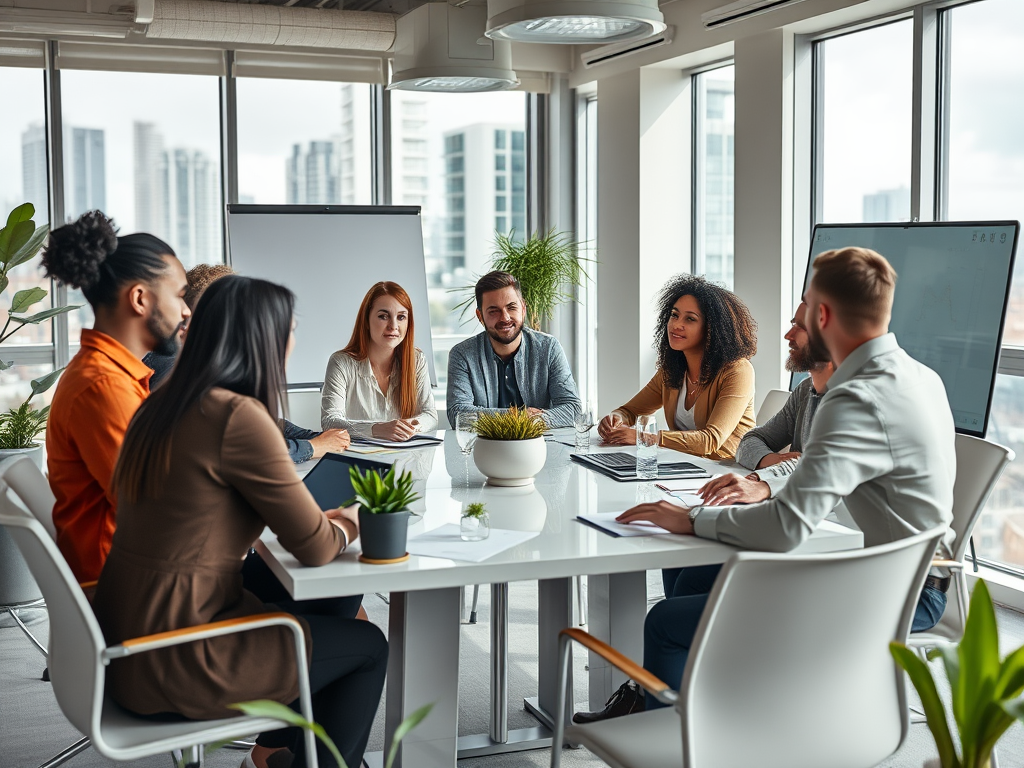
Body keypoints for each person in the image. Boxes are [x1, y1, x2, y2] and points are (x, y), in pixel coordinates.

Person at [599, 247, 956, 718]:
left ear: (824, 316)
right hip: (891, 569)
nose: (789, 332)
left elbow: (787, 528)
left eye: (801, 316)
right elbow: (788, 468)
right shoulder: (918, 375)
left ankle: (674, 735)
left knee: (665, 620)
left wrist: (691, 519)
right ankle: (709, 708)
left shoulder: (854, 399)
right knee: (692, 581)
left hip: (890, 590)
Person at [92, 276, 387, 768]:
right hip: (181, 655)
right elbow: (315, 547)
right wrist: (356, 516)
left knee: (332, 593)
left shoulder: (160, 403)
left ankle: (279, 751)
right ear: (266, 339)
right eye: (290, 329)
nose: (293, 340)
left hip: (129, 635)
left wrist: (319, 522)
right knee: (368, 645)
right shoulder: (237, 416)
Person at [42, 211, 190, 583]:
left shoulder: (117, 376)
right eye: (180, 296)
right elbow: (153, 511)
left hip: (145, 573)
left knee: (338, 603)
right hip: (137, 588)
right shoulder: (103, 386)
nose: (187, 311)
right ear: (140, 299)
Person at [146, 263, 351, 463]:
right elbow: (248, 447)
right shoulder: (172, 365)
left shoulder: (211, 368)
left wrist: (313, 436)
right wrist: (314, 446)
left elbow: (260, 423)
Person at [597, 275, 757, 460]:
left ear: (712, 328)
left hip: (725, 473)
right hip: (680, 468)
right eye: (674, 315)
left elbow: (710, 440)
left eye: (690, 319)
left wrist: (645, 438)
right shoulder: (672, 369)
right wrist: (615, 419)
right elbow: (630, 411)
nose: (676, 325)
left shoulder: (738, 371)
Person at [446, 270, 582, 428]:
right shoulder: (462, 354)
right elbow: (458, 414)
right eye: (493, 311)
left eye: (511, 307)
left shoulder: (548, 348)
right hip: (485, 448)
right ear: (480, 316)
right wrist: (519, 416)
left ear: (523, 309)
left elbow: (573, 409)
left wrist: (538, 419)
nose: (505, 318)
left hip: (540, 447)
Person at [322, 281, 437, 441]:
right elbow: (330, 422)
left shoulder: (417, 360)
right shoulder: (341, 362)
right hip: (358, 462)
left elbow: (430, 415)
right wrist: (377, 429)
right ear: (366, 320)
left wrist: (404, 428)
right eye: (383, 316)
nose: (393, 326)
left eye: (401, 317)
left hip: (405, 460)